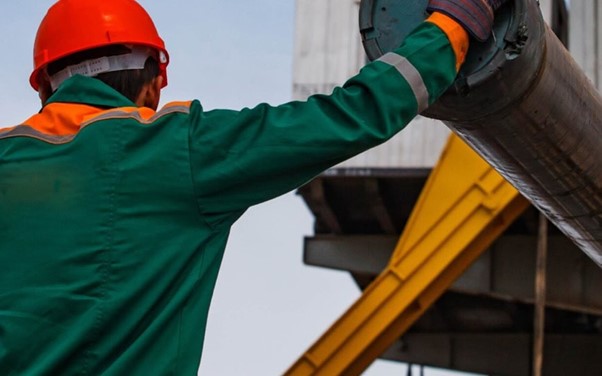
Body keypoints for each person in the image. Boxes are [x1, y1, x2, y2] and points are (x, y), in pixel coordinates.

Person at [0, 0, 507, 374]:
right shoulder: (180, 150)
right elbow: (353, 114)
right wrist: (455, 22)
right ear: (155, 80)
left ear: (44, 85)